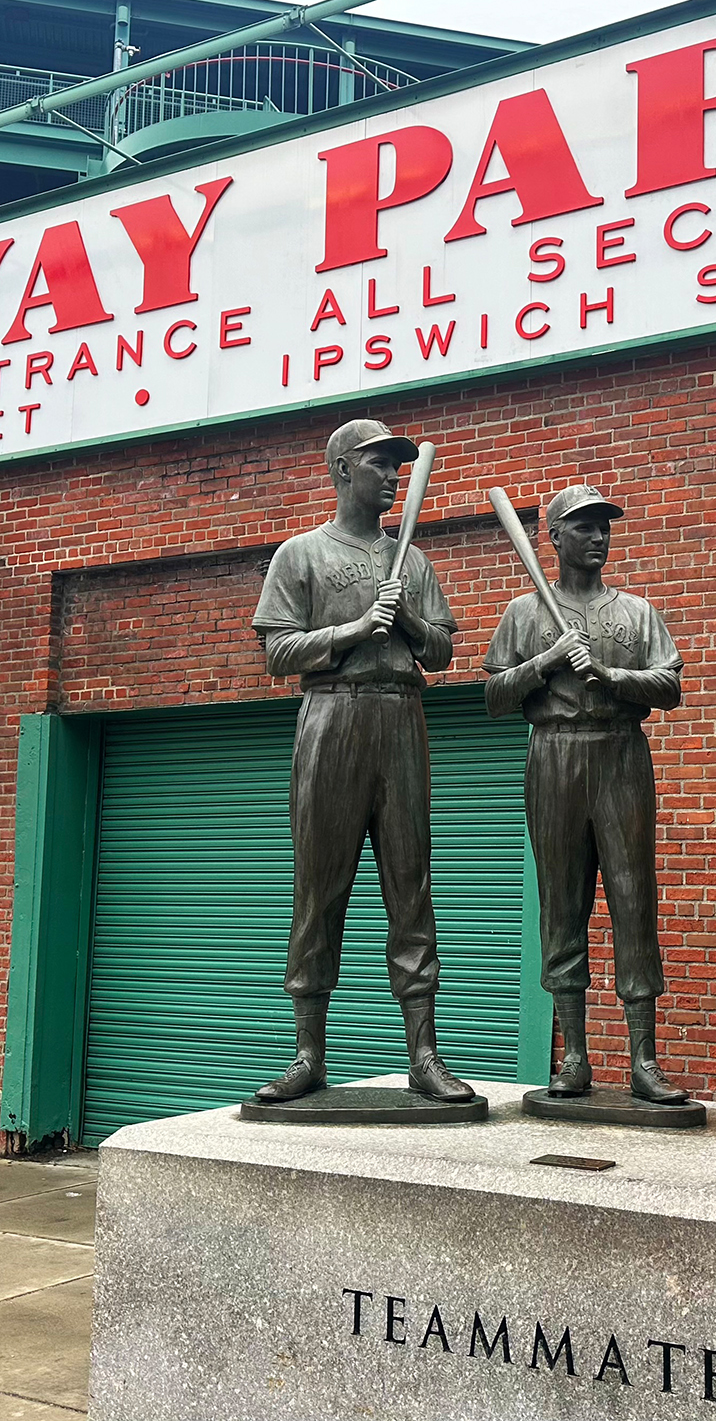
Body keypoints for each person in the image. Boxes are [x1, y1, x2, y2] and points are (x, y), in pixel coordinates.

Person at [248, 417, 472, 1104]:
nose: (394, 474)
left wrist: (403, 619)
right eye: (380, 462)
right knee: (319, 889)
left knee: (413, 886)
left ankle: (424, 1055)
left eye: (399, 464)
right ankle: (308, 1054)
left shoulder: (414, 559)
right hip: (332, 716)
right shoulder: (302, 554)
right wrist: (353, 629)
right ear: (344, 469)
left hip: (399, 717)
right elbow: (279, 651)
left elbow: (441, 653)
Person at [483, 484, 686, 1104]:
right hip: (554, 754)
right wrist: (546, 662)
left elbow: (669, 685)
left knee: (632, 898)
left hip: (620, 749)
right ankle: (572, 1056)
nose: (598, 536)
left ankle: (644, 1060)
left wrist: (611, 674)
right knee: (562, 902)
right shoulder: (525, 614)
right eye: (583, 526)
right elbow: (493, 697)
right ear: (555, 537)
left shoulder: (636, 612)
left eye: (603, 526)